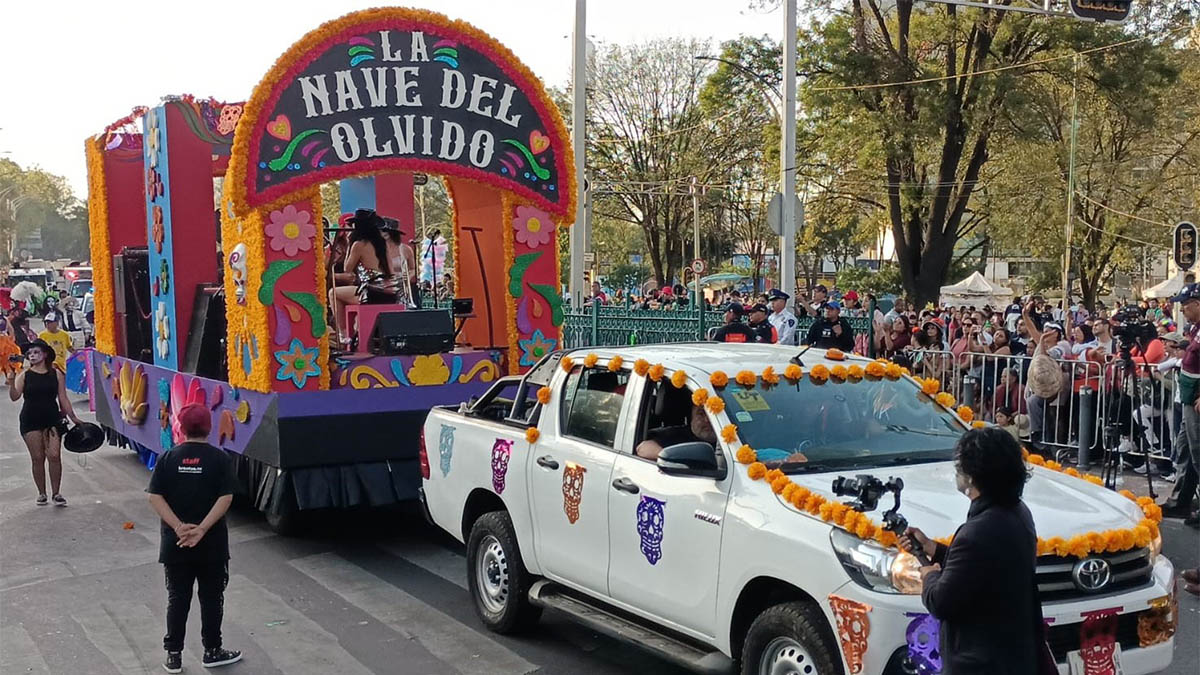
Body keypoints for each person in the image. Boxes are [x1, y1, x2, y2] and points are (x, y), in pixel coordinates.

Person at [901, 427, 1041, 675]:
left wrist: (929, 574)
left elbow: (940, 601)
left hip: (980, 663)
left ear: (975, 476)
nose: (957, 471)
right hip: (1013, 656)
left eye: (960, 466)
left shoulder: (978, 531)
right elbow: (984, 567)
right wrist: (935, 549)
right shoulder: (1017, 512)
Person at [147, 403, 243, 673]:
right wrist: (201, 529)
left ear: (180, 427)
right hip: (210, 544)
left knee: (177, 597)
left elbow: (155, 496)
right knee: (212, 597)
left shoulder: (168, 458)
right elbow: (226, 497)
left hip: (175, 543)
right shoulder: (219, 459)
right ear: (210, 428)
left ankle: (173, 655)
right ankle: (212, 650)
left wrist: (179, 527)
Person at [7, 339, 82, 506]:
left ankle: (56, 493)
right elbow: (14, 397)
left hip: (52, 419)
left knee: (54, 455)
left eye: (36, 352)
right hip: (30, 419)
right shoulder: (25, 375)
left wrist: (74, 418)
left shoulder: (56, 374)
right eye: (30, 353)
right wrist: (11, 382)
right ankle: (42, 493)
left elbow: (63, 398)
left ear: (45, 354)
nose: (32, 356)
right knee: (38, 457)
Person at [1162, 283, 1200, 524]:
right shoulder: (1195, 329)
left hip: (1197, 397)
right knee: (1185, 448)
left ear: (1197, 303)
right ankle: (1181, 501)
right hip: (1188, 397)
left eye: (1185, 306)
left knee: (1198, 450)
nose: (1182, 310)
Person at [328, 209, 391, 344]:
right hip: (389, 291)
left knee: (333, 293)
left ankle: (343, 333)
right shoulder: (382, 244)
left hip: (371, 292)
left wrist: (351, 245)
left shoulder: (358, 245)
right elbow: (390, 270)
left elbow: (347, 269)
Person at [635, 402, 717, 461]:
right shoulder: (674, 435)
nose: (707, 420)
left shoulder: (727, 440)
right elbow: (642, 448)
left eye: (712, 414)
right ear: (691, 417)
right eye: (701, 414)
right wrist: (672, 458)